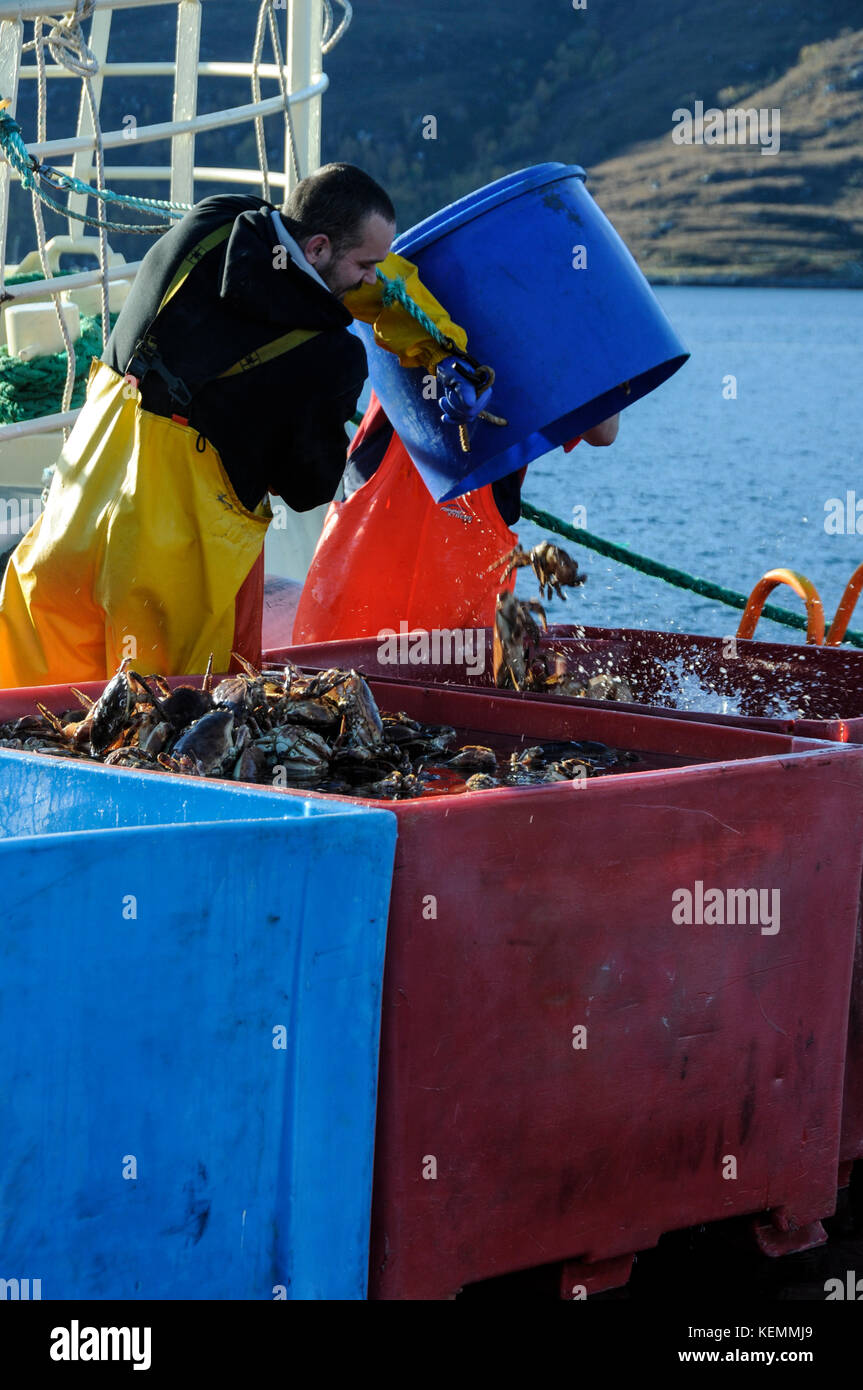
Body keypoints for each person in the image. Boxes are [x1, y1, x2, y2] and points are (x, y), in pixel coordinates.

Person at [0, 163, 465, 686]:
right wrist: (427, 337)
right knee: (161, 723)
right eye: (368, 265)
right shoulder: (330, 358)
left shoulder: (211, 221)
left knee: (33, 707)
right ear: (316, 249)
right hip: (163, 573)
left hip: (69, 532)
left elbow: (280, 244)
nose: (374, 280)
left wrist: (351, 277)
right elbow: (308, 487)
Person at [291, 389, 620, 644]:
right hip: (387, 507)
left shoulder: (536, 327)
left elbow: (602, 431)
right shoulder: (409, 313)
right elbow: (604, 430)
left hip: (454, 533)